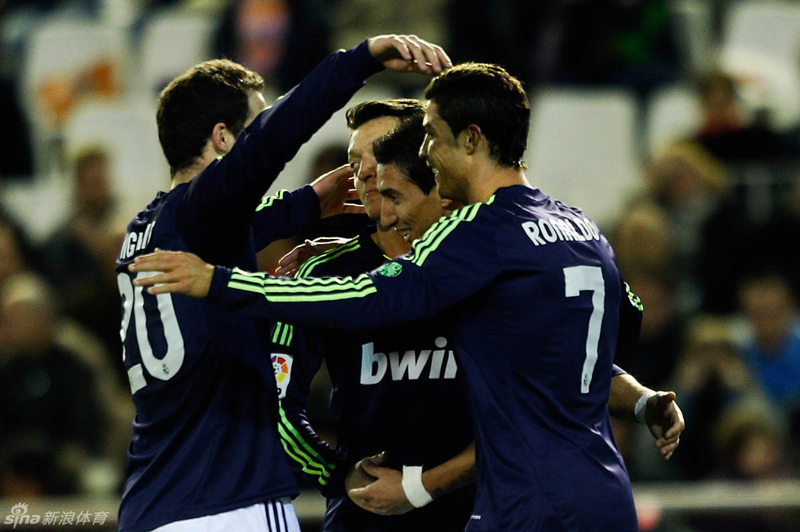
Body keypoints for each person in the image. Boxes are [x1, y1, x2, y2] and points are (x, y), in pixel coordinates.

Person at [131, 63, 682, 531]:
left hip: (513, 502)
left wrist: (222, 282)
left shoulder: (469, 240)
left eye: (425, 139)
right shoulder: (576, 224)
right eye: (358, 160)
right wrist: (638, 399)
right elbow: (594, 338)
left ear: (466, 142)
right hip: (595, 492)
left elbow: (370, 299)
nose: (371, 171)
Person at [114, 35, 451, 532]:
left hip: (152, 504)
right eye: (257, 119)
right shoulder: (203, 212)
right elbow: (274, 140)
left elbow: (237, 230)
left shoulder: (145, 231)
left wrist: (308, 204)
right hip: (228, 501)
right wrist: (360, 60)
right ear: (224, 138)